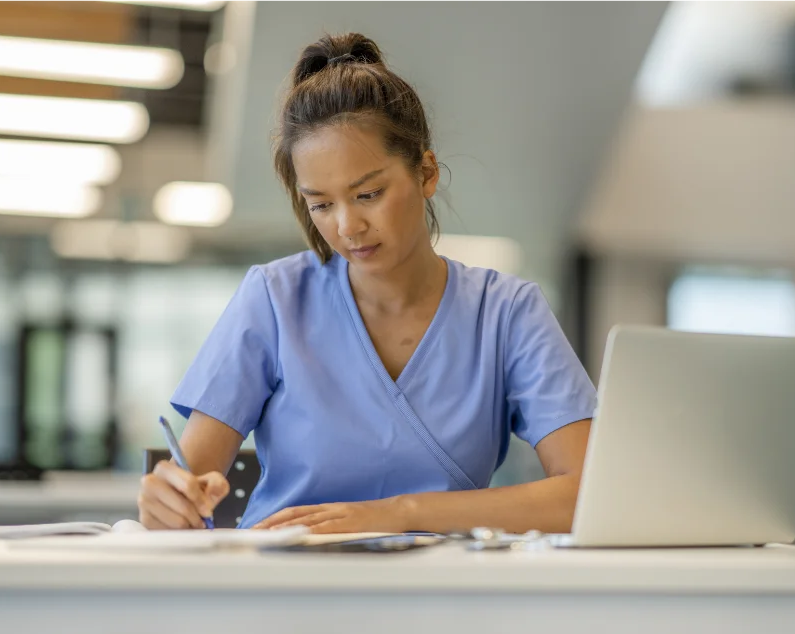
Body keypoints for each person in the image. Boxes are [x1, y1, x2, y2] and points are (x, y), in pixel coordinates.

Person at [137, 33, 596, 534]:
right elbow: (190, 486)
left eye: (369, 193)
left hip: (447, 593)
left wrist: (399, 514)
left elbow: (585, 493)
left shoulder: (507, 312)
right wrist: (171, 499)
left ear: (425, 172)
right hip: (282, 586)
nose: (347, 227)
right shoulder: (274, 299)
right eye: (321, 205)